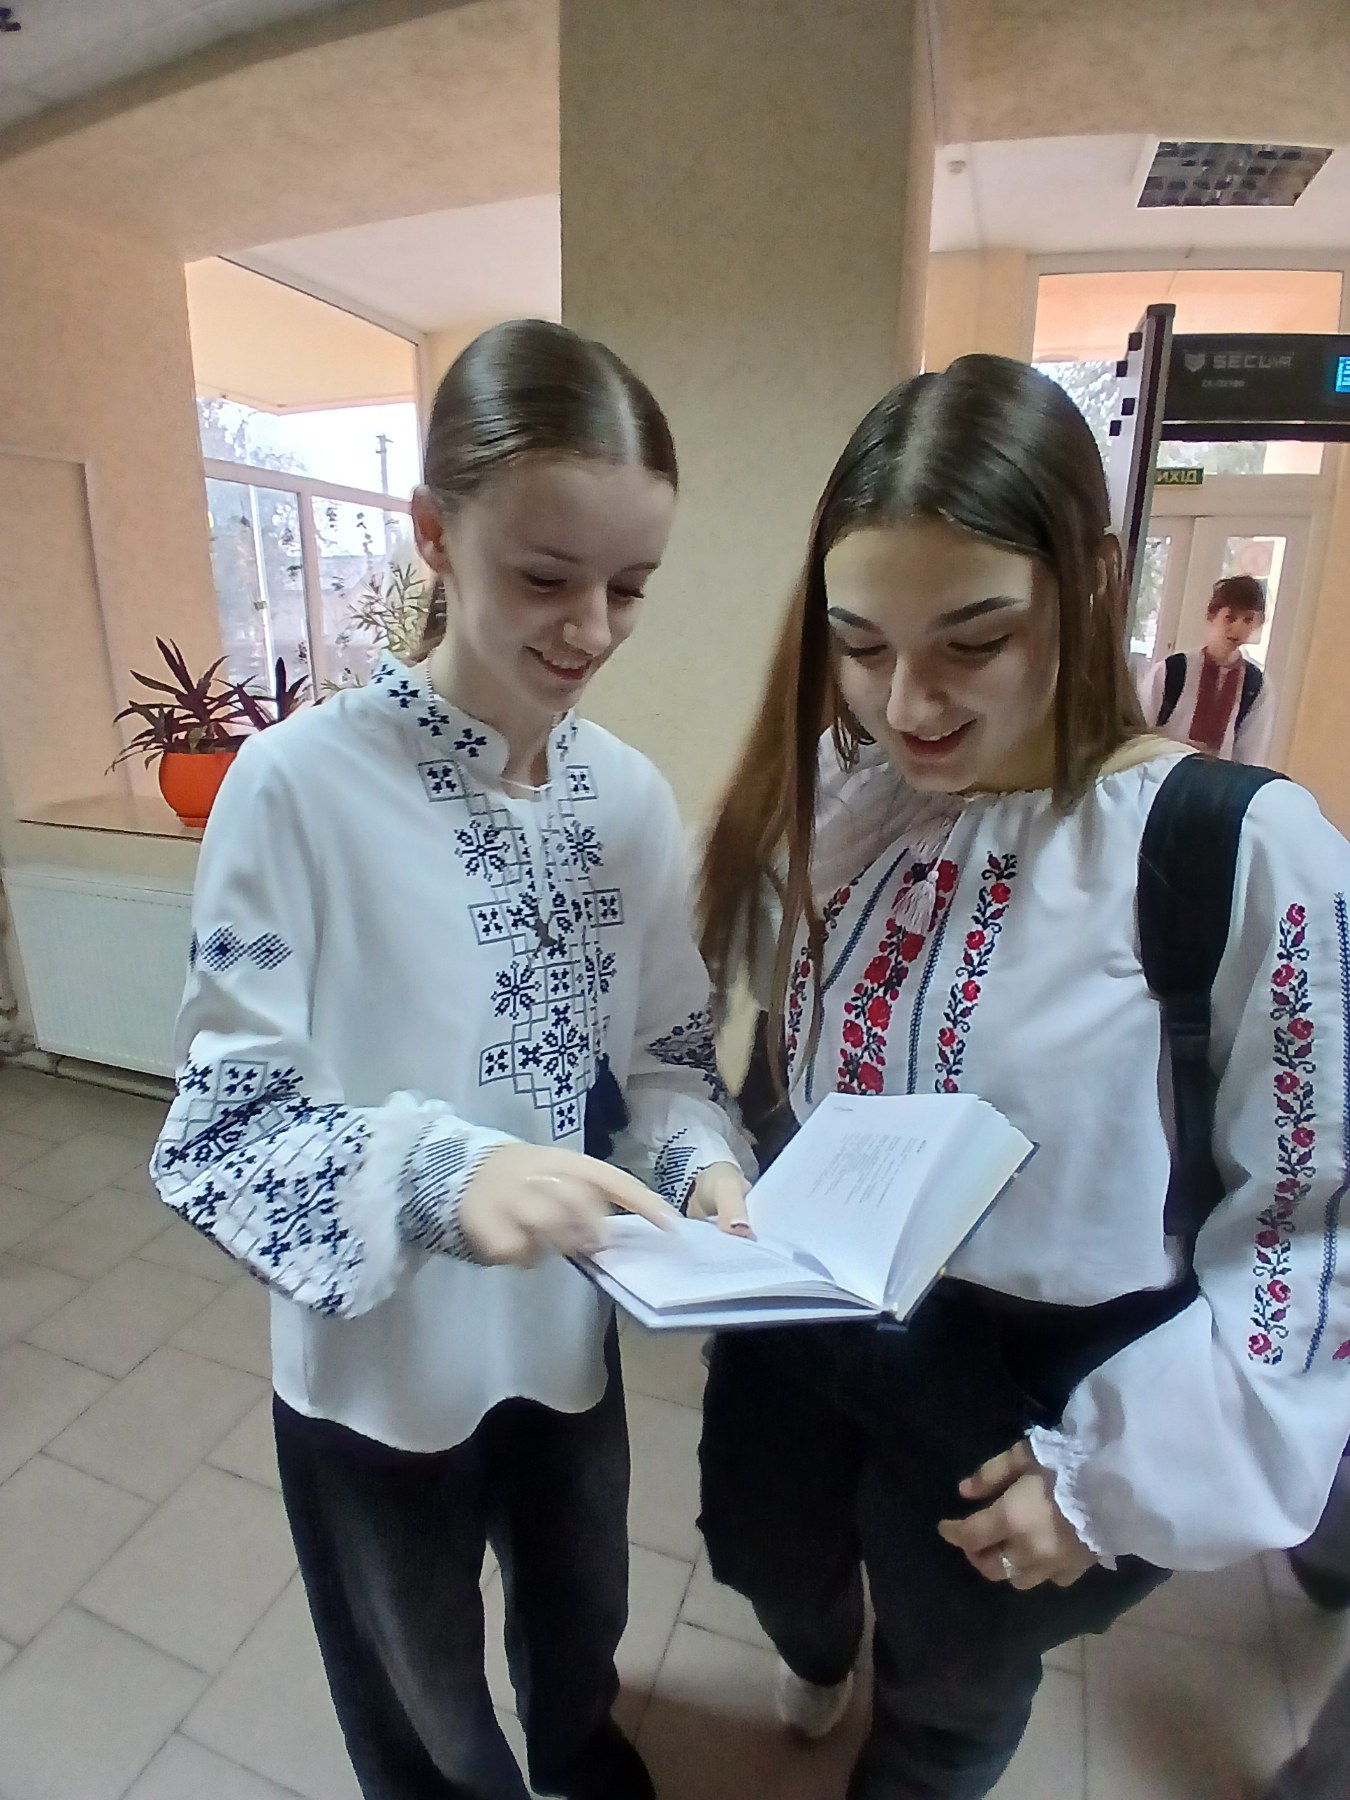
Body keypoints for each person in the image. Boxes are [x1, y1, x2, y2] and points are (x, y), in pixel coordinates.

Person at [692, 354, 1350, 1800]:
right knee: (758, 1544)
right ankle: (815, 1645)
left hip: (1034, 1373)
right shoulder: (854, 796)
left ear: (1091, 582)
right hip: (816, 1302)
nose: (907, 702)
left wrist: (1112, 1475)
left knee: (952, 1672)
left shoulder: (1233, 850)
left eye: (973, 640)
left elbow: (1314, 1226)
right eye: (860, 645)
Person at [151, 318, 751, 1800]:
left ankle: (581, 1758)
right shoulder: (295, 787)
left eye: (629, 587)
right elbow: (222, 1131)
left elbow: (666, 1057)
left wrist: (702, 1164)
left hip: (566, 1335)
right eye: (545, 577)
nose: (590, 628)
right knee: (415, 1688)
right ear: (433, 532)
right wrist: (437, 1174)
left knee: (581, 1622)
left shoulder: (626, 798)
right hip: (375, 1361)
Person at [1141, 572, 1274, 762]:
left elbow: (1250, 756)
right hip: (1164, 773)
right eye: (1230, 617)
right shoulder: (1173, 670)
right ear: (1211, 615)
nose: (1238, 629)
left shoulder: (1256, 686)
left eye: (1248, 620)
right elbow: (1140, 735)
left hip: (1221, 779)